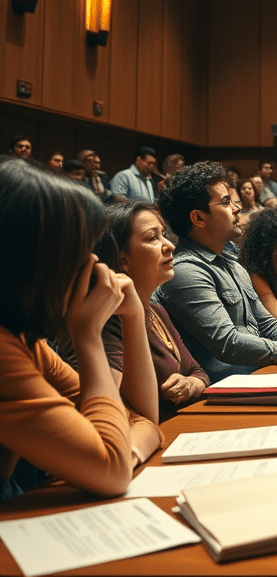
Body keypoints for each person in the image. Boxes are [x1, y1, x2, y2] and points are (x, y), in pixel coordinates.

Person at [0, 158, 158, 502]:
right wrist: (87, 337)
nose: (94, 267)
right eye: (79, 252)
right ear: (36, 261)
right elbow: (113, 472)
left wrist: (132, 317)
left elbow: (144, 420)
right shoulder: (3, 349)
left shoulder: (26, 342)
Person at [155, 161, 277, 381]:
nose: (237, 208)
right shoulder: (186, 271)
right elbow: (227, 343)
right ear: (199, 218)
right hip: (228, 386)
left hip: (261, 372)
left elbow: (268, 326)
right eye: (225, 202)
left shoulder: (233, 265)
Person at [90, 203, 209, 420]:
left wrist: (192, 384)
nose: (169, 246)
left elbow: (197, 370)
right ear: (122, 259)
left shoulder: (157, 310)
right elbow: (120, 411)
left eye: (164, 234)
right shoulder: (109, 321)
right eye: (153, 238)